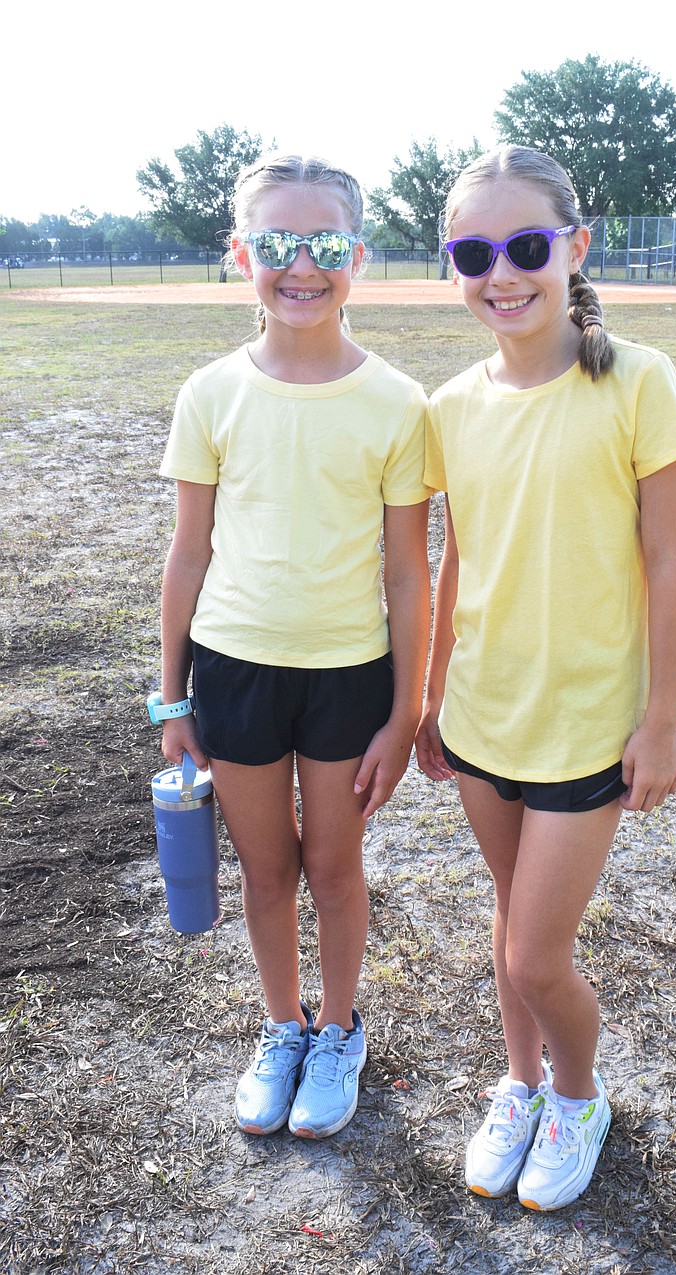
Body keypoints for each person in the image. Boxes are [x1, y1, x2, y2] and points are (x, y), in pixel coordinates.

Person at [416, 146, 676, 1211]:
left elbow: (670, 562)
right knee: (508, 923)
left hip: (587, 724)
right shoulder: (450, 405)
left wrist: (661, 720)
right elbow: (456, 560)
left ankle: (578, 1096)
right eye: (474, 251)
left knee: (537, 956)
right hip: (484, 714)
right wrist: (430, 698)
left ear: (574, 248)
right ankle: (521, 1083)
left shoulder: (637, 380)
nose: (503, 272)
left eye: (526, 246)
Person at [154, 153, 432, 1141]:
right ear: (241, 256)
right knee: (266, 872)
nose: (301, 266)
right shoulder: (211, 393)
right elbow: (188, 556)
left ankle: (340, 1028)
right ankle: (282, 1027)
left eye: (324, 245)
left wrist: (405, 714)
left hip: (348, 679)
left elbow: (408, 573)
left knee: (333, 868)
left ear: (358, 256)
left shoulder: (399, 403)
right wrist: (171, 700)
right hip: (233, 673)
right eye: (276, 244)